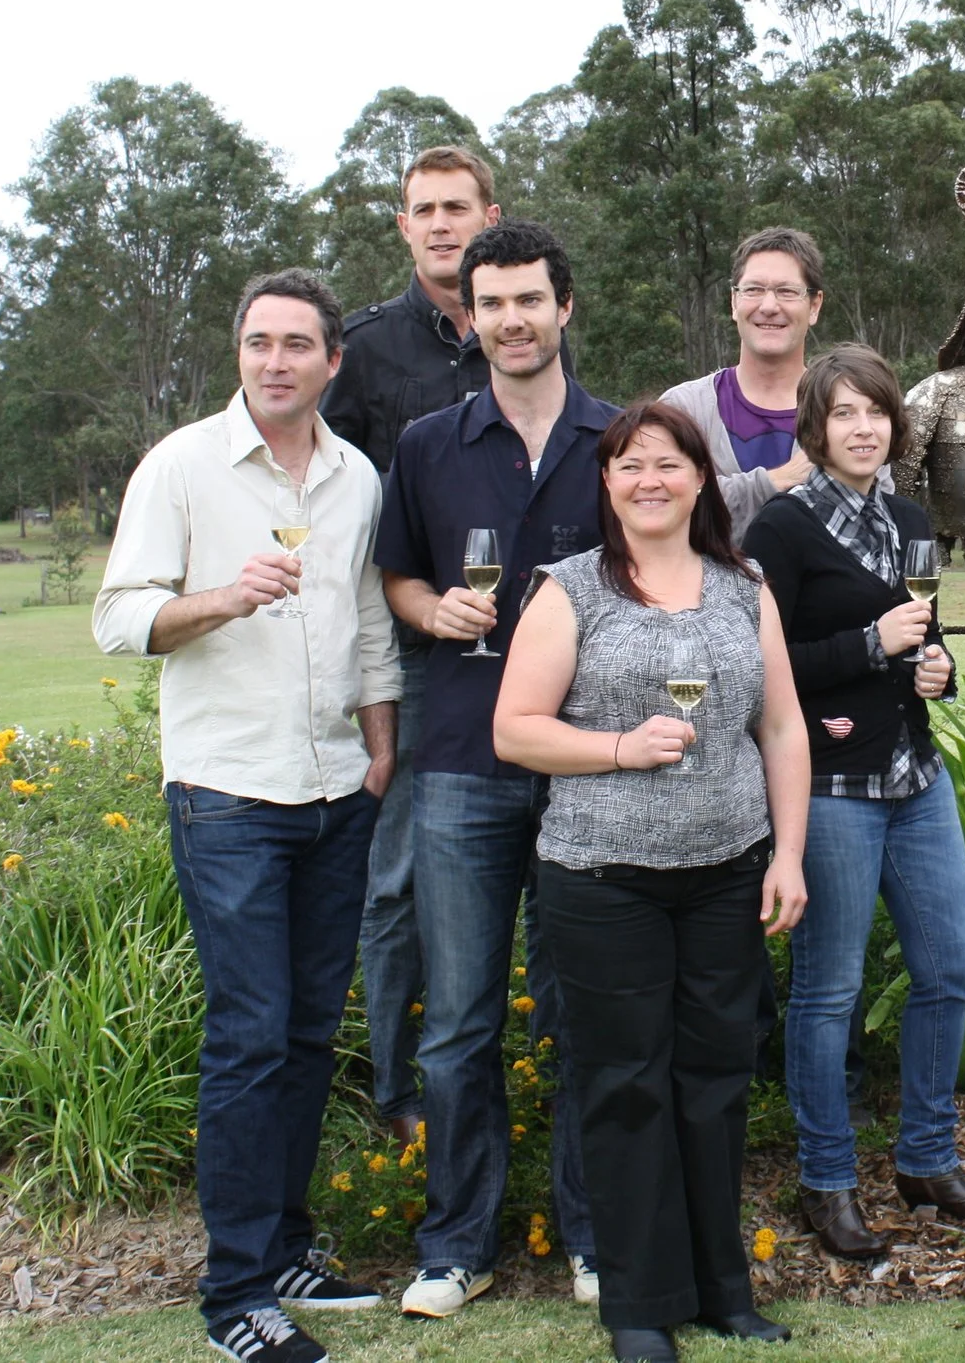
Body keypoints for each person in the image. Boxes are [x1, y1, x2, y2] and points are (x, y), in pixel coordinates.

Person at [94, 269, 398, 1363]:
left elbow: (367, 616)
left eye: (297, 344)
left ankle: (285, 1249)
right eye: (258, 341)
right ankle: (235, 1295)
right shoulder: (181, 465)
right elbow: (118, 616)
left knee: (310, 1034)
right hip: (228, 792)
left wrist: (381, 743)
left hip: (333, 791)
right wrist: (222, 594)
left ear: (332, 361)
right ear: (239, 353)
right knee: (249, 1035)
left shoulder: (356, 476)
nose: (276, 360)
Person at [493, 401, 811, 1363]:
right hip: (603, 877)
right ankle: (638, 1303)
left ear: (700, 477)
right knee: (625, 1084)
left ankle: (724, 1288)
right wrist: (622, 749)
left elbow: (783, 728)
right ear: (608, 483)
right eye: (629, 465)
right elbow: (515, 730)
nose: (649, 480)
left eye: (668, 463)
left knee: (715, 1081)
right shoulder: (572, 590)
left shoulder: (741, 585)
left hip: (727, 873)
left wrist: (788, 854)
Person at [372, 219, 615, 1317]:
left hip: (584, 768)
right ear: (468, 318)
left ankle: (593, 1235)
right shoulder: (426, 444)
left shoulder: (622, 440)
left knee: (582, 1014)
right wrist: (437, 610)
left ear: (565, 308)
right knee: (461, 1018)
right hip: (463, 761)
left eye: (531, 299)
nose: (512, 319)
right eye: (492, 303)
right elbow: (399, 584)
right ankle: (455, 1243)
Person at [744, 345, 965, 1261]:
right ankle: (827, 1180)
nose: (864, 429)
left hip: (915, 778)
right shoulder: (780, 530)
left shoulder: (908, 517)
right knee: (830, 991)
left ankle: (926, 1158)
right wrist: (870, 641)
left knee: (950, 968)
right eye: (845, 414)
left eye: (877, 413)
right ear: (814, 428)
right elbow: (760, 669)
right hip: (828, 788)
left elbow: (921, 640)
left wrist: (932, 668)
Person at [320, 143, 567, 1148]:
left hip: (546, 664)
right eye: (420, 208)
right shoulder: (369, 350)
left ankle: (553, 1087)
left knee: (557, 878)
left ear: (487, 213)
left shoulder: (531, 325)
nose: (438, 221)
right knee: (404, 876)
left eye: (455, 205)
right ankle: (400, 1095)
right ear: (403, 226)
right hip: (421, 652)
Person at [660, 227, 831, 541]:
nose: (768, 306)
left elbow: (876, 522)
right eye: (753, 289)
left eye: (787, 291)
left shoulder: (850, 412)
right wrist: (774, 482)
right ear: (734, 302)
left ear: (815, 305)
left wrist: (718, 492)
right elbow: (660, 510)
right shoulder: (683, 410)